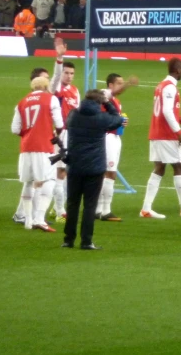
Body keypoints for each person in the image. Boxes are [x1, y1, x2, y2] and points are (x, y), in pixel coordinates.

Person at [141, 58, 181, 219]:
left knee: (159, 168)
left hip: (156, 133)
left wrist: (180, 118)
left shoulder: (160, 85)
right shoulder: (169, 88)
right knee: (179, 167)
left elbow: (166, 110)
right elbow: (167, 111)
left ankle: (146, 208)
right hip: (167, 135)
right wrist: (179, 133)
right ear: (177, 70)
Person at [62, 90, 126, 250]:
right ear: (100, 103)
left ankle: (68, 240)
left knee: (72, 204)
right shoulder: (101, 118)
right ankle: (86, 241)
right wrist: (108, 103)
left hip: (75, 164)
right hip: (94, 166)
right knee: (90, 206)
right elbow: (118, 119)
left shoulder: (73, 115)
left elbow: (66, 124)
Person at [11, 75, 64, 232]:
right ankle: (39, 219)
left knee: (28, 182)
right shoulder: (50, 99)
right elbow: (60, 124)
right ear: (46, 86)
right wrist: (54, 134)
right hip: (43, 146)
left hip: (26, 147)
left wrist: (29, 132)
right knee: (47, 180)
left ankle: (28, 220)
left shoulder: (21, 102)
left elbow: (15, 129)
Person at [96, 72, 138, 220]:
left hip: (115, 137)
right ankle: (106, 211)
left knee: (104, 173)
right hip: (107, 138)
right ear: (110, 85)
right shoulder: (103, 95)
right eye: (119, 83)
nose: (122, 85)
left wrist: (122, 122)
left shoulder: (116, 102)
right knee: (110, 172)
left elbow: (115, 118)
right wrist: (128, 83)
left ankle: (98, 209)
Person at [48, 40, 80, 225]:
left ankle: (56, 207)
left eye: (71, 73)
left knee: (66, 172)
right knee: (60, 171)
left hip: (73, 135)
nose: (69, 76)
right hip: (61, 135)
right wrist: (59, 58)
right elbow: (55, 76)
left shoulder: (75, 90)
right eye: (66, 73)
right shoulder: (57, 89)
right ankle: (60, 211)